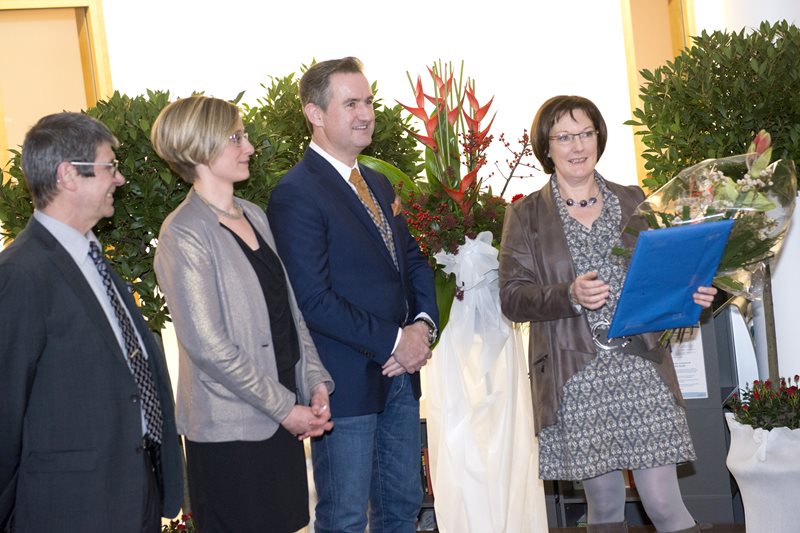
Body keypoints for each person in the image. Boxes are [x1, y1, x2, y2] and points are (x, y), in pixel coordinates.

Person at [498, 95, 717, 533]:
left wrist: (691, 294)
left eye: (586, 133)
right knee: (604, 504)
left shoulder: (634, 198)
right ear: (546, 147)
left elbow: (663, 273)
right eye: (564, 137)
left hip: (642, 365)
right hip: (574, 373)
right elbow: (512, 297)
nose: (577, 146)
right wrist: (569, 294)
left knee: (663, 502)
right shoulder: (525, 215)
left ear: (599, 136)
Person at [267, 57, 438, 533]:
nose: (366, 114)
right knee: (343, 518)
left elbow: (413, 264)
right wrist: (393, 341)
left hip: (400, 377)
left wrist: (422, 328)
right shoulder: (296, 192)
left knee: (402, 509)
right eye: (351, 104)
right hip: (344, 384)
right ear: (315, 114)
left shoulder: (378, 182)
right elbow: (312, 299)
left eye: (368, 102)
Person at [150, 95, 334, 533]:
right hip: (230, 432)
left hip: (280, 415)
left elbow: (289, 310)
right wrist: (286, 408)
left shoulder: (253, 214)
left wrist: (315, 382)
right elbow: (209, 347)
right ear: (200, 147)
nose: (249, 147)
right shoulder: (183, 233)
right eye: (236, 138)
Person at [0, 112, 183, 532]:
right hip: (70, 508)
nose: (119, 179)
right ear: (68, 175)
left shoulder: (93, 257)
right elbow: (5, 412)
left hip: (134, 491)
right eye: (109, 167)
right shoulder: (20, 275)